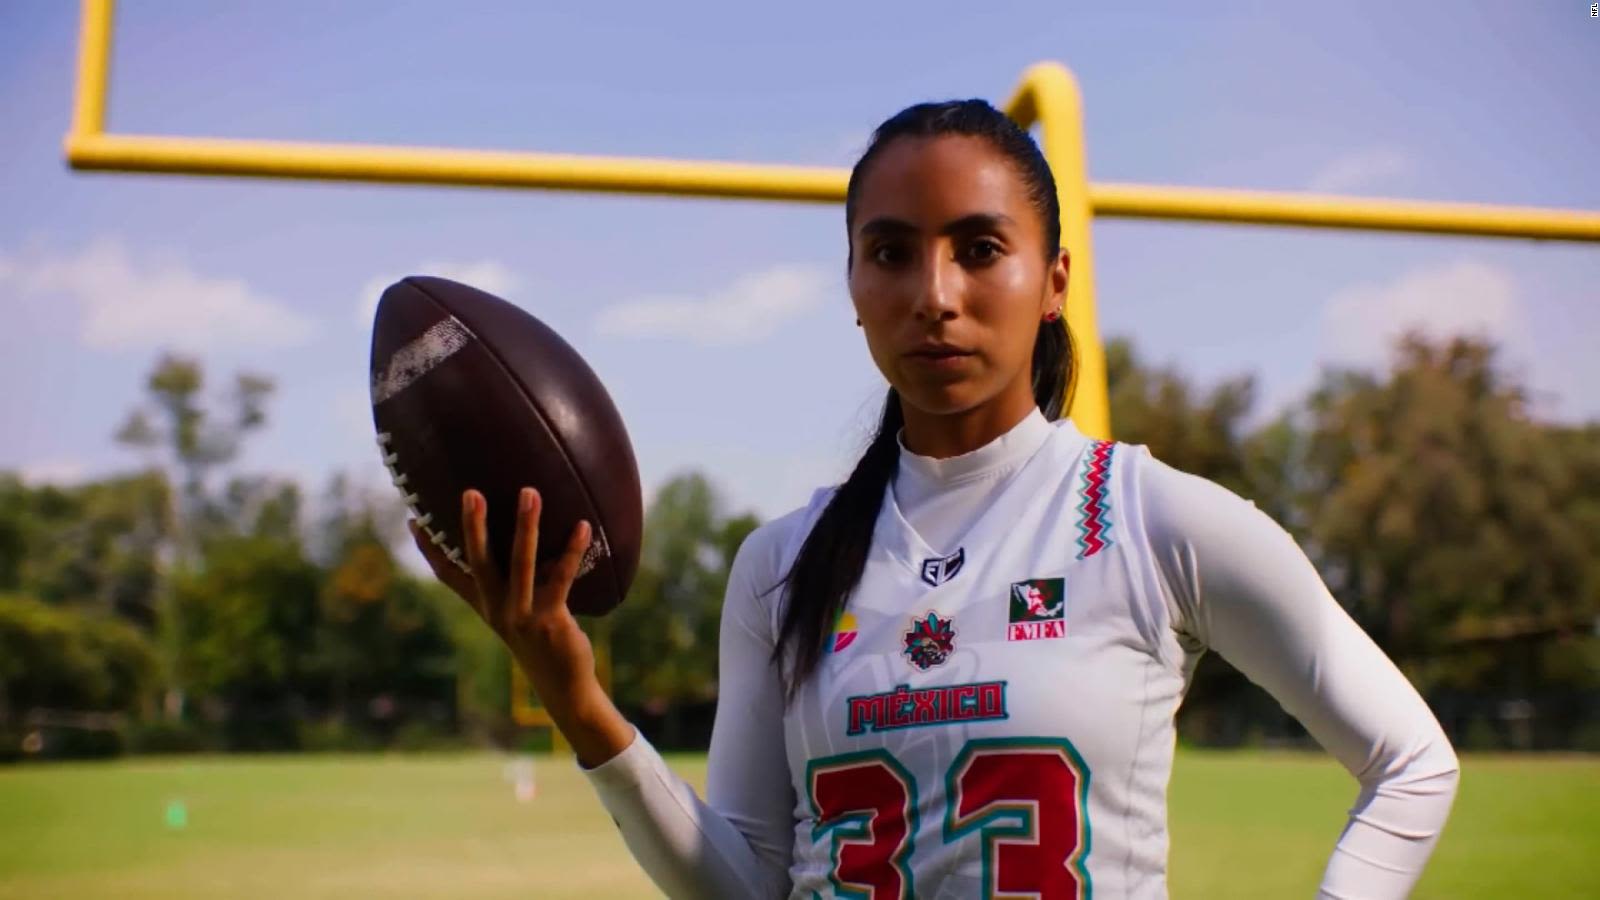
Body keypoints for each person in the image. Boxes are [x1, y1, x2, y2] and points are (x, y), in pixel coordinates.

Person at [411, 99, 1460, 899]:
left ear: (1051, 282)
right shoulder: (782, 564)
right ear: (854, 288)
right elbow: (746, 884)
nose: (934, 294)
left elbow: (1411, 766)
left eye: (979, 248)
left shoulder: (1151, 520)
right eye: (890, 253)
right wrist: (575, 699)